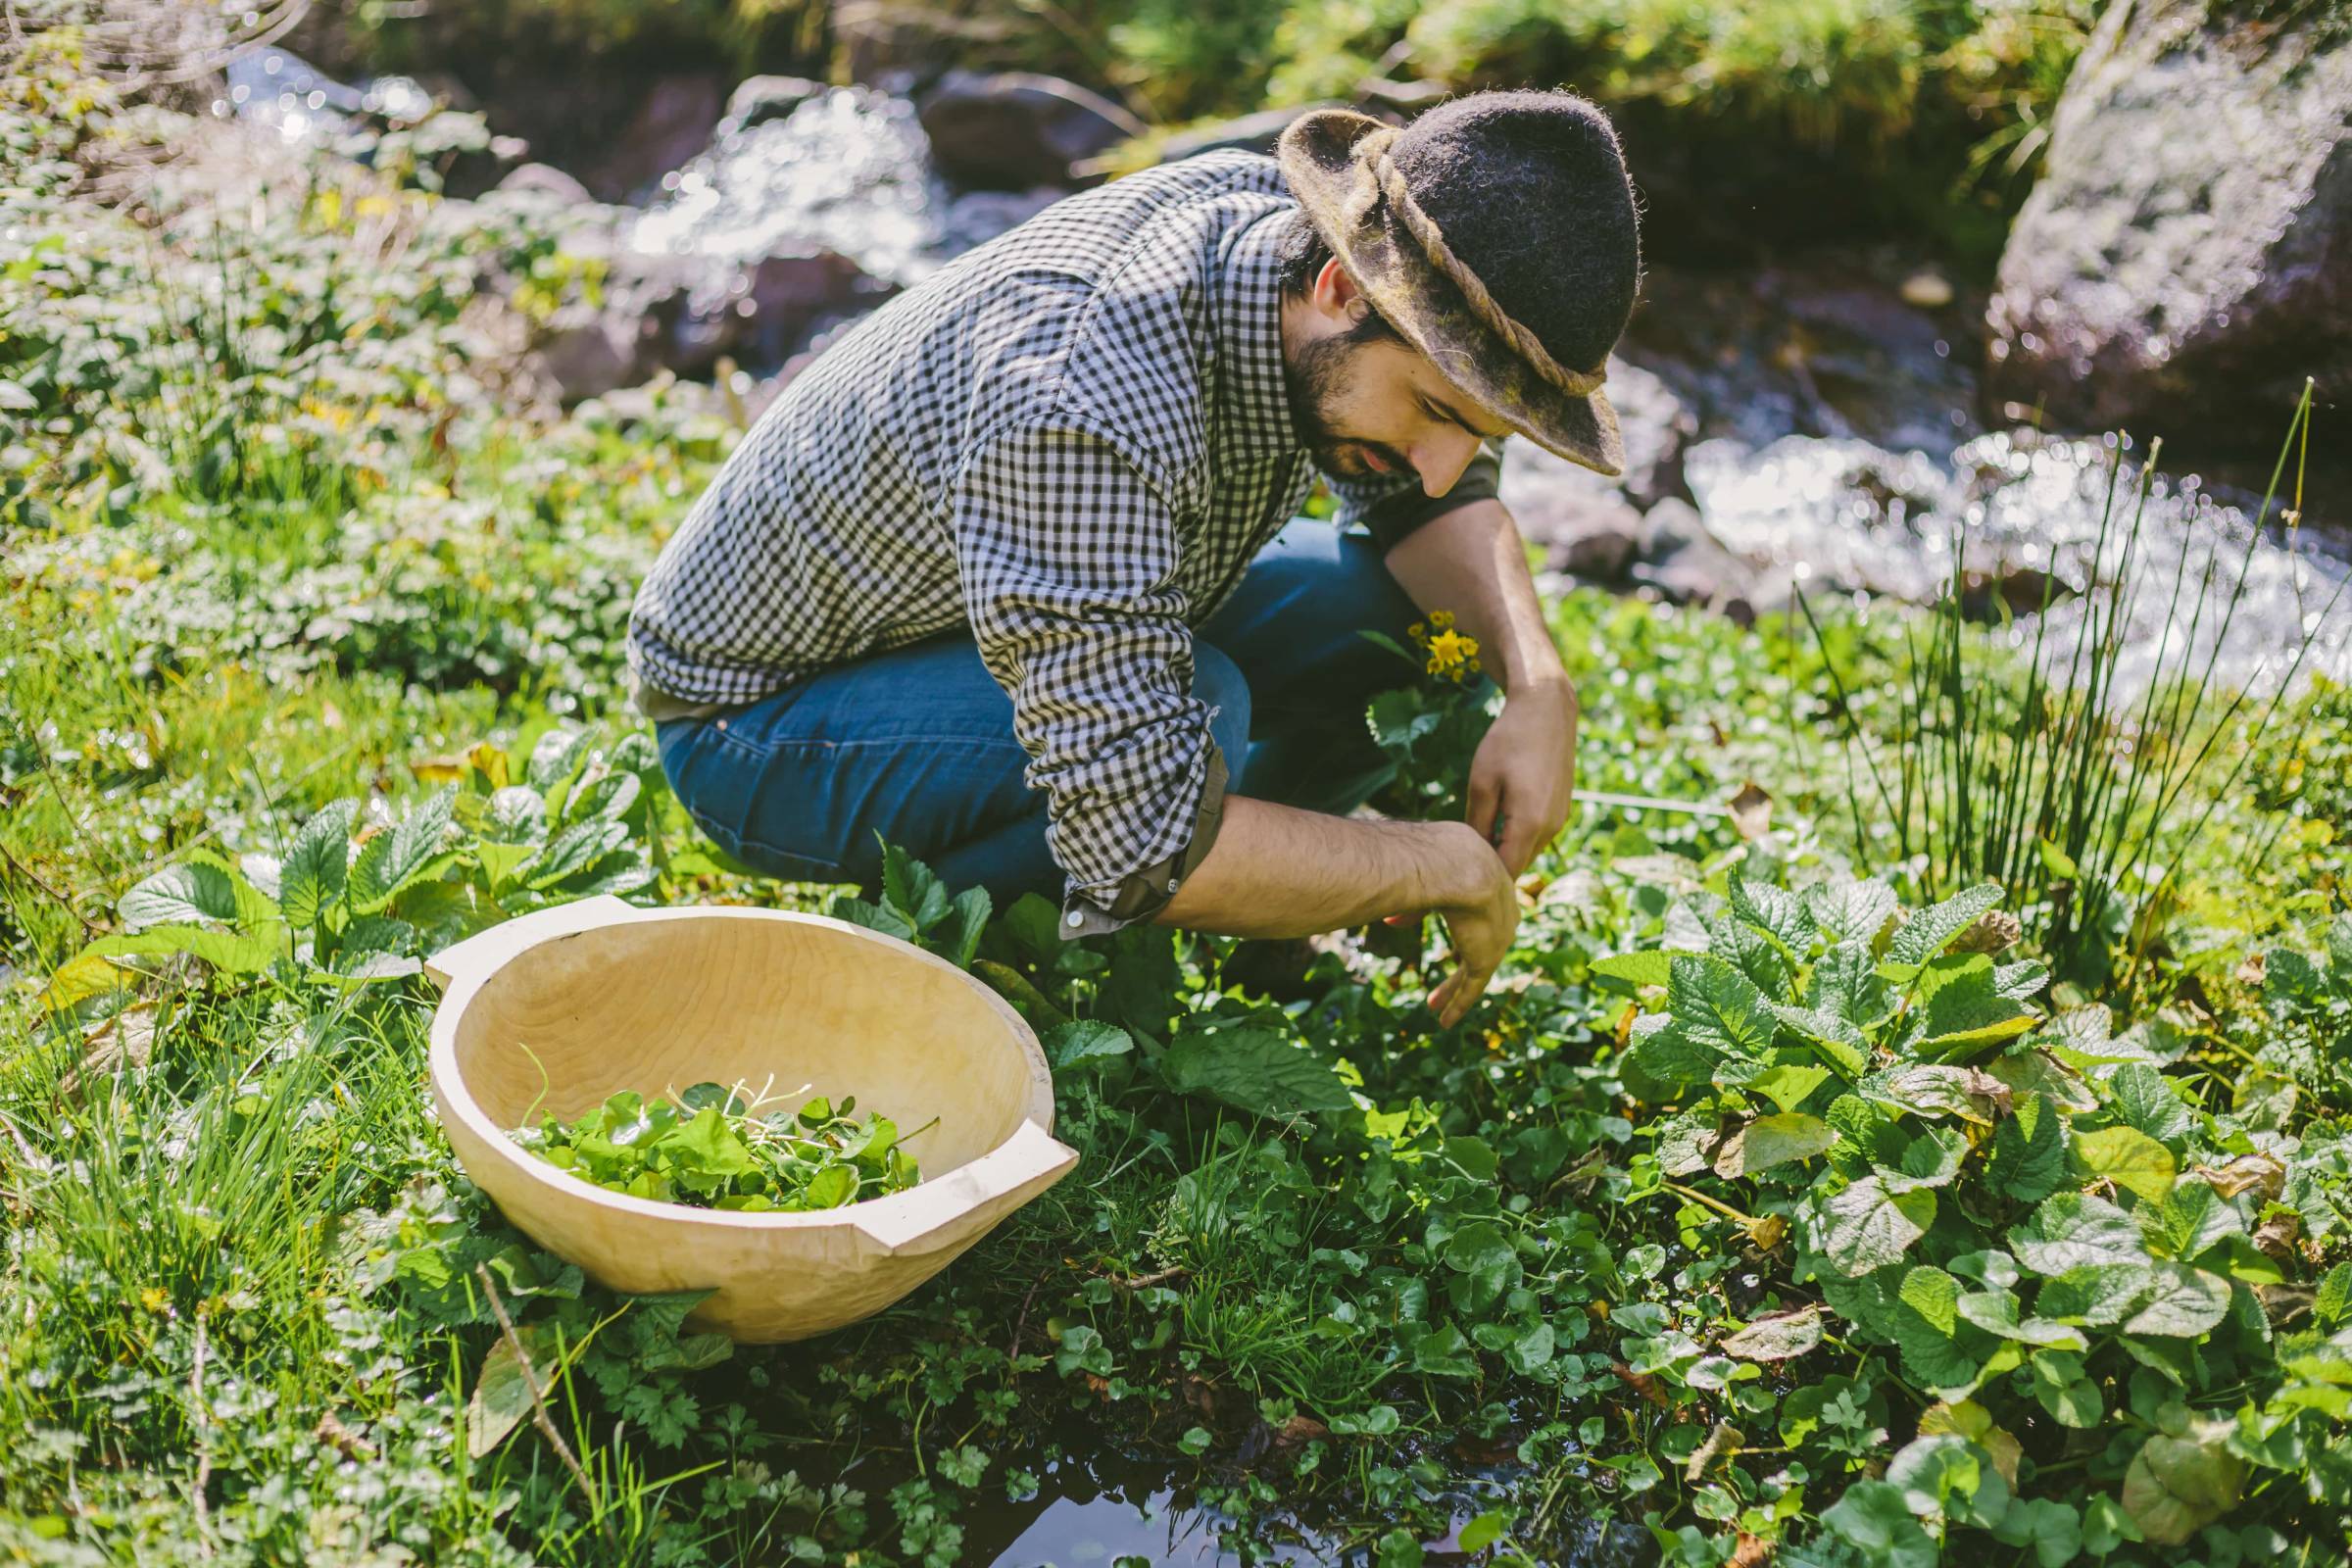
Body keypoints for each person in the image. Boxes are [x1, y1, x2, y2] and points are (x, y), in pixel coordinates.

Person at [626, 88, 1644, 1026]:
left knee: (1396, 623)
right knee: (1200, 714)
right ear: (1340, 288)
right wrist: (1438, 865)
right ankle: (974, 957)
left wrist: (1535, 680)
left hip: (989, 609)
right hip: (758, 721)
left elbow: (1434, 499)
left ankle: (1259, 906)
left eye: (1478, 431)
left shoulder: (1285, 261)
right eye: (1432, 410)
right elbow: (1141, 833)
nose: (1439, 468)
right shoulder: (1082, 396)